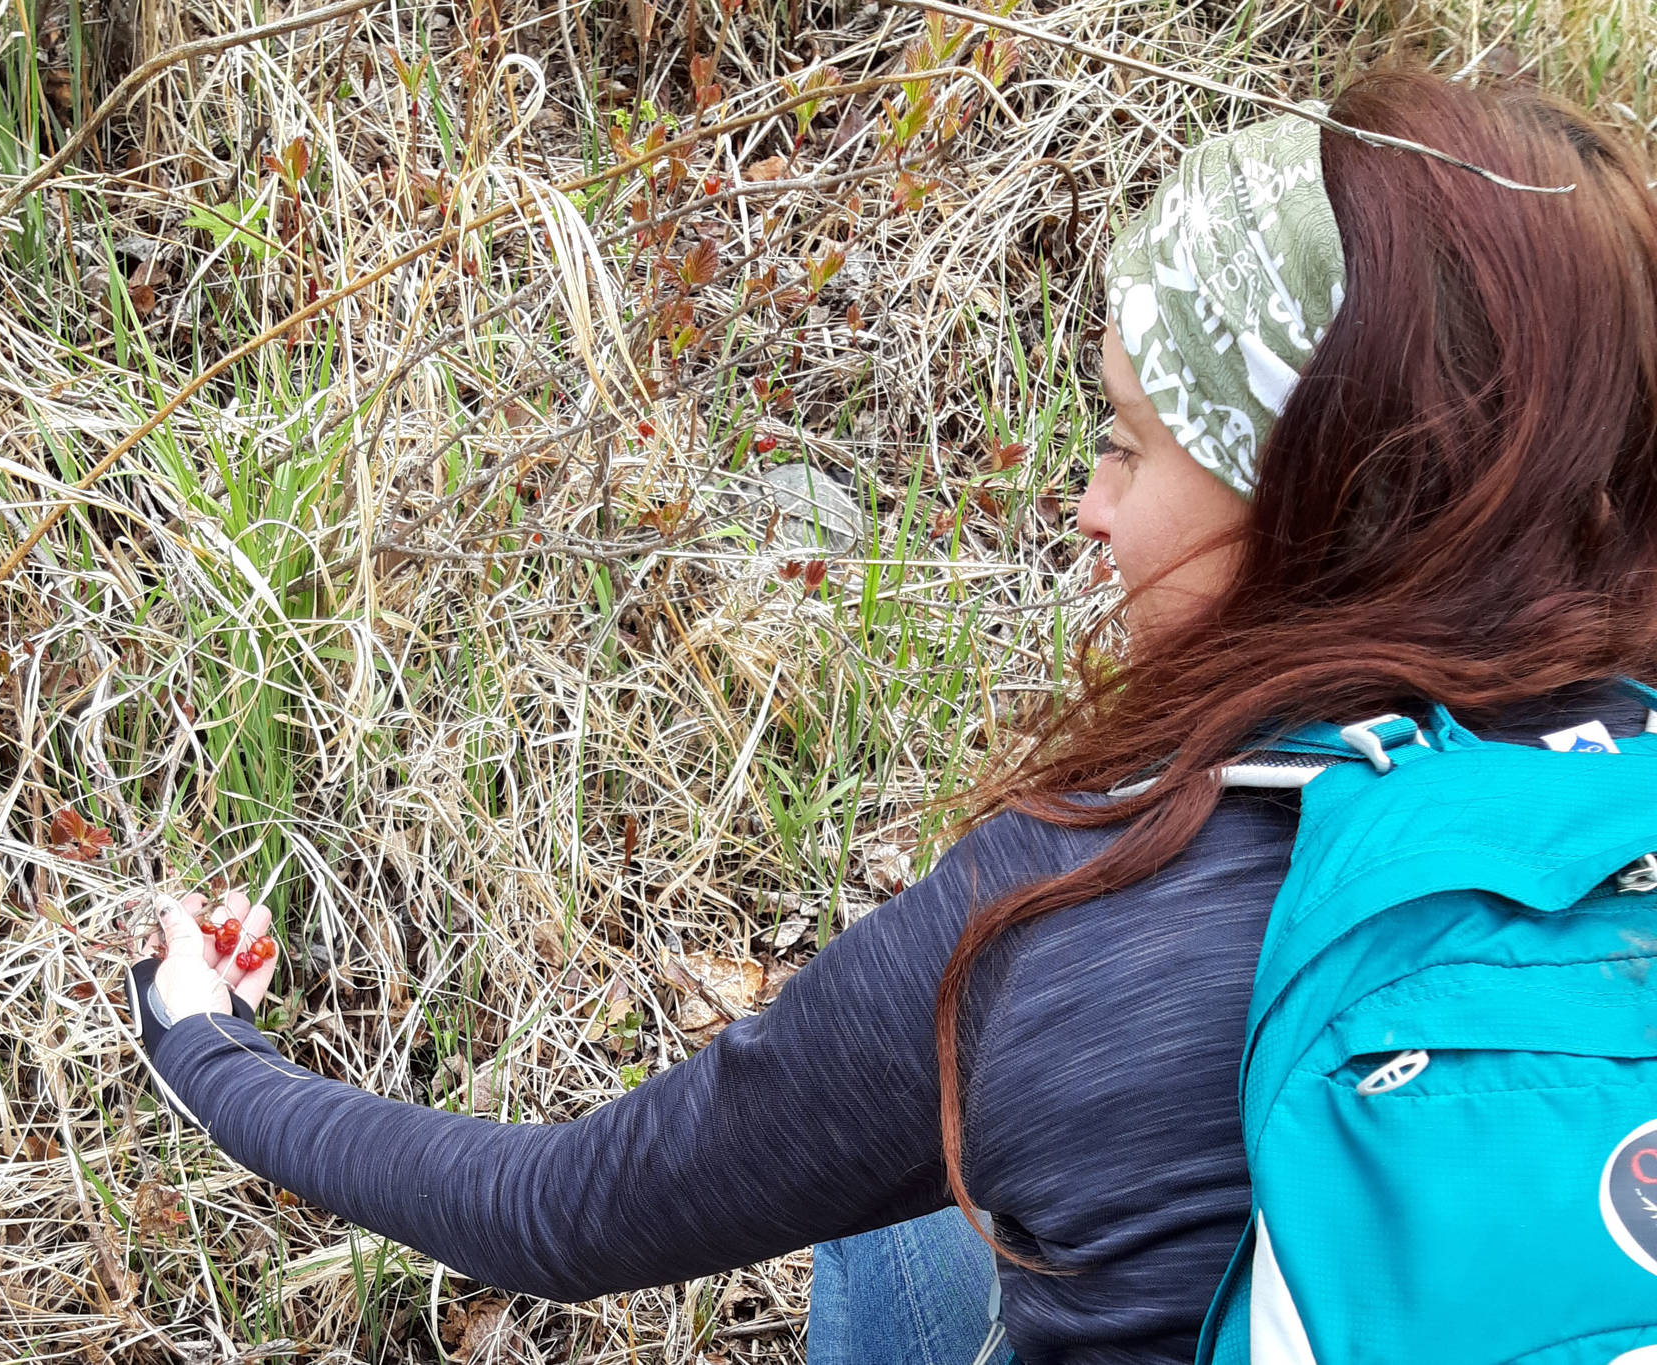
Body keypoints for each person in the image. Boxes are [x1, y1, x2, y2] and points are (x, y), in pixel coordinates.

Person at [123, 69, 1657, 1364]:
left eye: (1130, 442)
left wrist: (203, 1040)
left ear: (1317, 493)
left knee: (918, 1178)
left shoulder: (1063, 924)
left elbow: (557, 1211)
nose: (1089, 508)